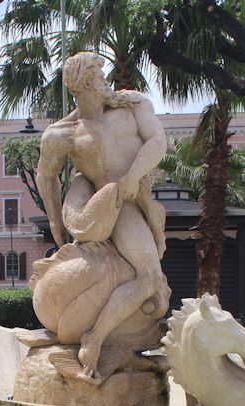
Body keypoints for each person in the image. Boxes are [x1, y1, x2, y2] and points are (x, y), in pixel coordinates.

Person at [36, 52, 168, 377]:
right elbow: (45, 176)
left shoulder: (133, 105)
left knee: (151, 278)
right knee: (149, 277)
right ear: (84, 82)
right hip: (98, 204)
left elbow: (158, 141)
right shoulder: (65, 132)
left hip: (128, 200)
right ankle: (94, 339)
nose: (104, 80)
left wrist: (134, 175)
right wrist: (55, 223)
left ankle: (98, 337)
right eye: (97, 74)